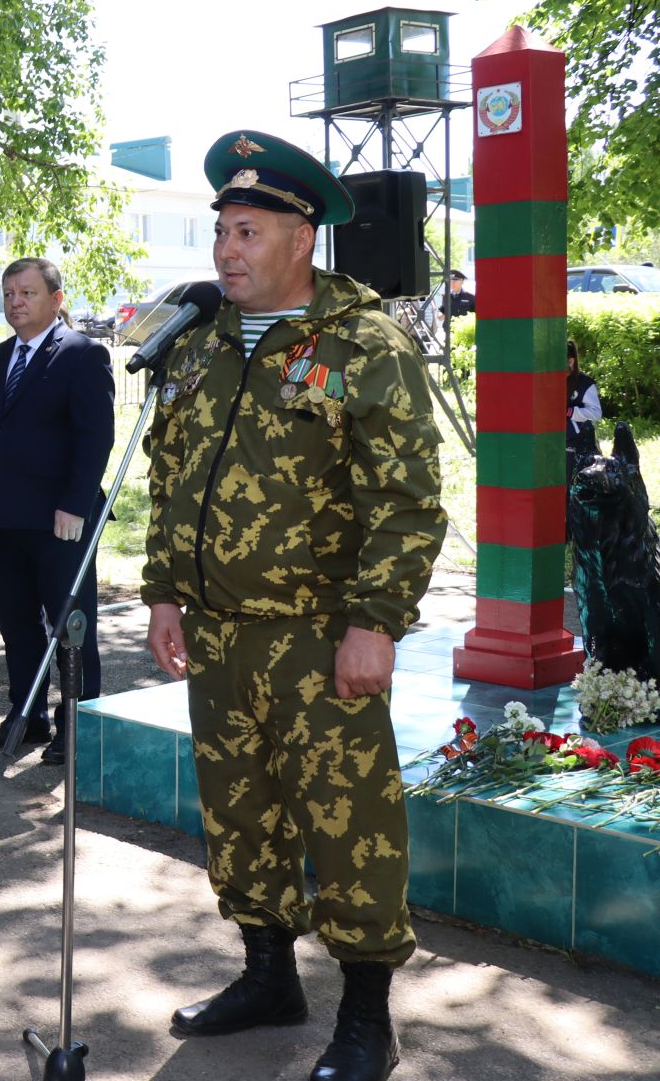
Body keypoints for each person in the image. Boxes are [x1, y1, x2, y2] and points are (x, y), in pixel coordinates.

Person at [143, 131, 445, 1081]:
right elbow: (167, 478)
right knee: (241, 816)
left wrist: (375, 621)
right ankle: (268, 976)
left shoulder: (364, 346)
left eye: (248, 231)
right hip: (220, 633)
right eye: (222, 230)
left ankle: (368, 1017)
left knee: (350, 824)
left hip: (322, 638)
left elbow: (406, 500)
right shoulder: (195, 348)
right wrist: (163, 593)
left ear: (301, 237)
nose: (228, 250)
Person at [0, 258, 114, 763]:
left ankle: (77, 722)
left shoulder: (84, 354)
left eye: (26, 292)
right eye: (8, 294)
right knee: (16, 621)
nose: (15, 302)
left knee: (70, 623)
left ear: (56, 299)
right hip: (5, 516)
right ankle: (27, 715)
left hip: (59, 521)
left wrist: (74, 504)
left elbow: (95, 438)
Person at [567, 339, 602, 444]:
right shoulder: (550, 380)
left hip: (581, 441)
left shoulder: (585, 383)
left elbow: (596, 414)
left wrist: (570, 412)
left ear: (571, 362)